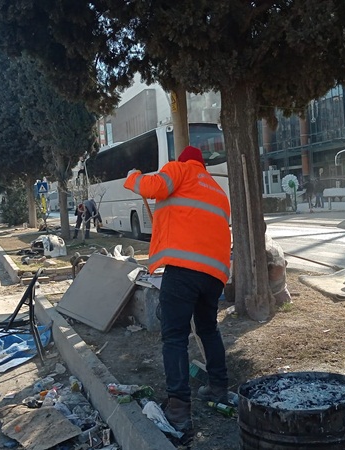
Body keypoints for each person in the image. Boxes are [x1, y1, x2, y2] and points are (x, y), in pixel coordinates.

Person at [123, 145, 231, 444]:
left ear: (184, 161)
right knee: (208, 330)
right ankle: (219, 388)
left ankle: (179, 412)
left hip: (183, 272)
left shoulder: (179, 169)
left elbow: (152, 185)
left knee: (174, 338)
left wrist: (134, 176)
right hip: (214, 275)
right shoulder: (216, 189)